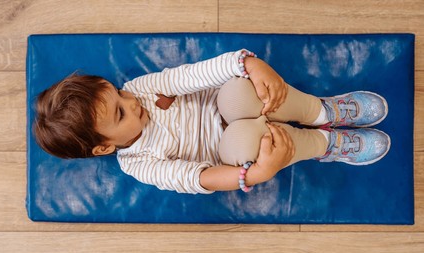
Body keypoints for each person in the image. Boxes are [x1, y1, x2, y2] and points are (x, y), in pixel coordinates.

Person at [33, 49, 390, 194]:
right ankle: (324, 145)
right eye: (120, 112)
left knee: (237, 91)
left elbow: (192, 76)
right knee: (250, 141)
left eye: (119, 93)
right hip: (233, 146)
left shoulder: (139, 91)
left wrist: (247, 64)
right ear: (105, 146)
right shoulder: (137, 164)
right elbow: (194, 178)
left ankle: (322, 112)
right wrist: (256, 174)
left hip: (231, 104)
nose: (131, 100)